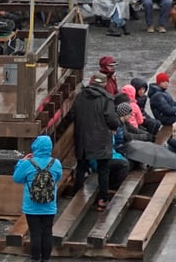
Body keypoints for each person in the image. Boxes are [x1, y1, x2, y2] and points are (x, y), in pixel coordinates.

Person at [70, 72, 119, 210]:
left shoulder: (80, 96)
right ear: (104, 84)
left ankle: (76, 195)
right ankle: (102, 199)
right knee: (103, 169)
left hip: (82, 138)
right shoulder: (106, 99)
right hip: (100, 139)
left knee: (81, 167)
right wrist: (114, 127)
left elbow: (73, 114)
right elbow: (111, 119)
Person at [12, 135, 62, 262]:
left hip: (32, 206)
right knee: (47, 233)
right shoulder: (55, 163)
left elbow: (16, 178)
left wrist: (21, 162)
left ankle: (35, 258)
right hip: (49, 205)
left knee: (35, 234)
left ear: (35, 146)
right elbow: (58, 177)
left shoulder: (28, 163)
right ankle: (46, 259)